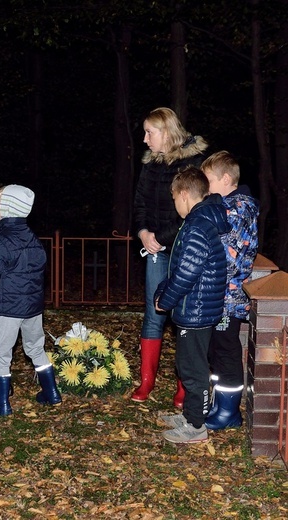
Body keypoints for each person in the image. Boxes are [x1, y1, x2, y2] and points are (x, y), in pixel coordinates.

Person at [132, 107, 209, 408]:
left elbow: (193, 209)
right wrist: (142, 233)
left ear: (166, 132)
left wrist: (160, 238)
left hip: (183, 249)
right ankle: (147, 381)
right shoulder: (150, 164)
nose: (145, 138)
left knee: (183, 315)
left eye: (150, 132)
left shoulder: (193, 163)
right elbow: (138, 203)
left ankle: (184, 384)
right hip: (153, 249)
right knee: (154, 312)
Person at [155, 167, 230, 443]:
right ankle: (190, 415)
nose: (174, 204)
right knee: (188, 364)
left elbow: (187, 272)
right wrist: (166, 290)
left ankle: (196, 427)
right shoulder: (199, 222)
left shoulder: (197, 225)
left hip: (195, 309)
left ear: (184, 194)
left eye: (174, 197)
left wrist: (166, 299)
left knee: (193, 369)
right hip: (196, 308)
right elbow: (181, 268)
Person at [0, 184, 61, 416]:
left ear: (8, 209)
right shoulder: (32, 238)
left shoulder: (0, 241)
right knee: (35, 348)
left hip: (8, 309)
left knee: (1, 354)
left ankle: (0, 404)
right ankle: (51, 392)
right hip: (32, 308)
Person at [201, 151, 259, 430]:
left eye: (208, 180)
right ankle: (218, 404)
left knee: (225, 350)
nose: (204, 186)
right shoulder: (227, 205)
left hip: (228, 296)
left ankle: (229, 411)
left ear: (226, 179)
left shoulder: (237, 209)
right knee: (216, 350)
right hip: (219, 295)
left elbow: (227, 255)